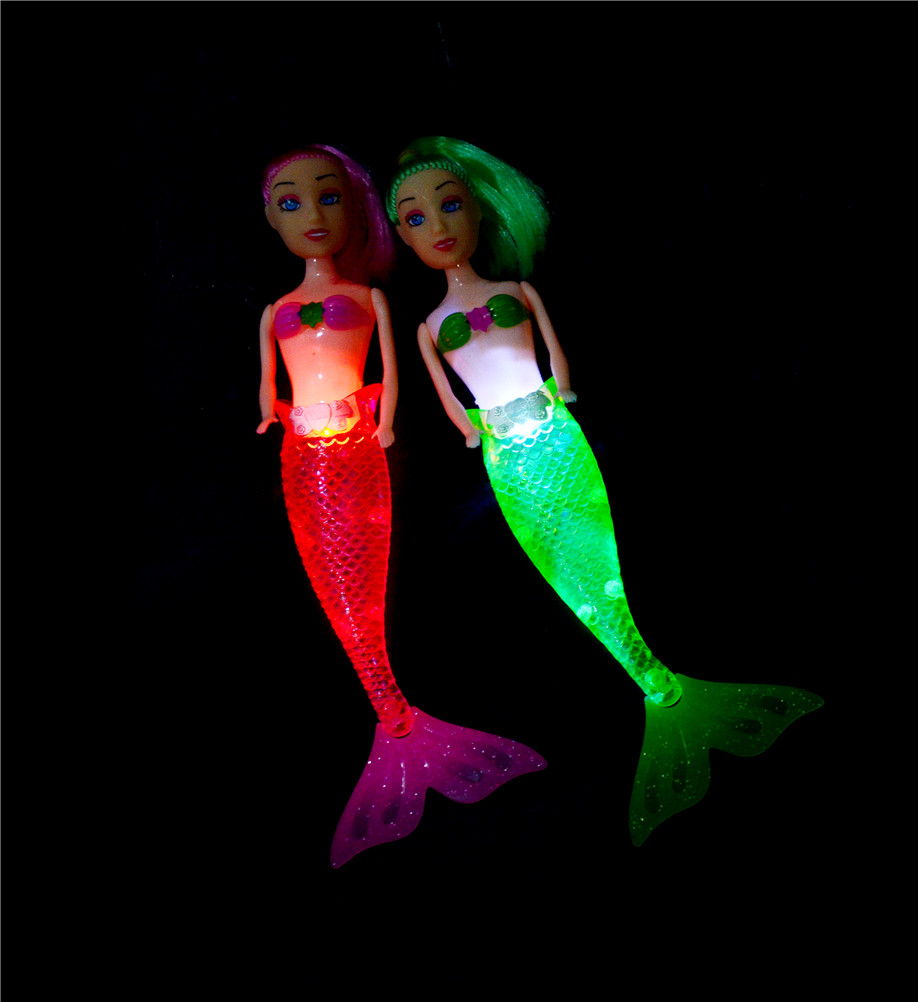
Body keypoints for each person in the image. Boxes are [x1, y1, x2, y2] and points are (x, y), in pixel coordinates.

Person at [388, 137, 823, 846]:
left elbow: (552, 350)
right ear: (403, 237)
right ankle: (656, 689)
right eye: (415, 218)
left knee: (599, 556)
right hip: (507, 454)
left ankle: (661, 687)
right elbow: (446, 394)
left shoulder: (517, 292)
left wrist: (559, 386)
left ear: (479, 210)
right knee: (565, 569)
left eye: (450, 205)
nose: (437, 225)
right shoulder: (428, 326)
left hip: (557, 434)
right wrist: (469, 429)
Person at [258, 144, 544, 868]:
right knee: (337, 582)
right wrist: (270, 413)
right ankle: (394, 716)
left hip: (363, 444)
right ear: (270, 219)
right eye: (290, 201)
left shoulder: (377, 300)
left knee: (370, 571)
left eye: (328, 196)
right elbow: (270, 383)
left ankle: (400, 720)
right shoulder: (276, 310)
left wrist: (385, 424)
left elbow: (390, 367)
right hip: (305, 456)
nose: (312, 214)